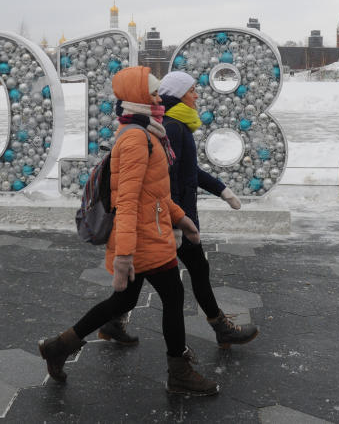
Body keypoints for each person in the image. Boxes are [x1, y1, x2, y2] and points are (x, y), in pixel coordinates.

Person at [39, 66, 219, 396]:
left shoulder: (148, 131)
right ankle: (179, 372)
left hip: (153, 230)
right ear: (135, 97)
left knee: (121, 301)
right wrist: (124, 255)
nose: (157, 97)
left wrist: (180, 218)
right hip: (145, 238)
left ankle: (58, 347)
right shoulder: (137, 138)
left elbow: (156, 193)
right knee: (172, 296)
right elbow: (128, 201)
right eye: (151, 93)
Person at [98, 70, 259, 350]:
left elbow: (189, 170)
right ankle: (219, 328)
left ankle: (112, 322)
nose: (197, 94)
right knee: (194, 272)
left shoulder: (176, 125)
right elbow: (164, 180)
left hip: (174, 217)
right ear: (179, 94)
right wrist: (175, 224)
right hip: (172, 219)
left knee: (139, 280)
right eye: (192, 90)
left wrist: (222, 190)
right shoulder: (172, 127)